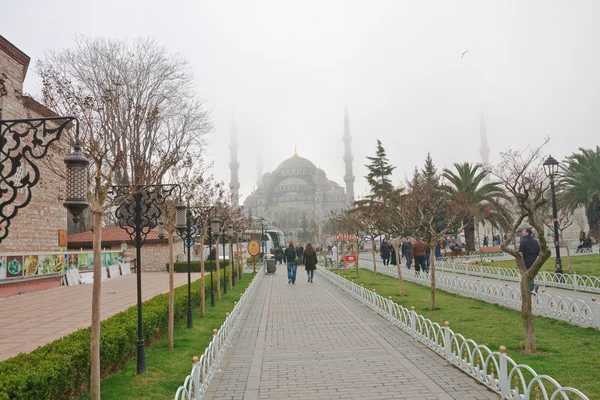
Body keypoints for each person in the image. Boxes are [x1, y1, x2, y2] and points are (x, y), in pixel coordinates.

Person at [518, 228, 540, 292]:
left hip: (526, 261)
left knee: (527, 275)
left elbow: (520, 252)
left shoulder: (523, 241)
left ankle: (532, 288)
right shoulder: (535, 241)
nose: (522, 232)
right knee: (531, 274)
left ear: (527, 233)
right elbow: (538, 251)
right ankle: (531, 288)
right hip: (534, 260)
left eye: (523, 231)